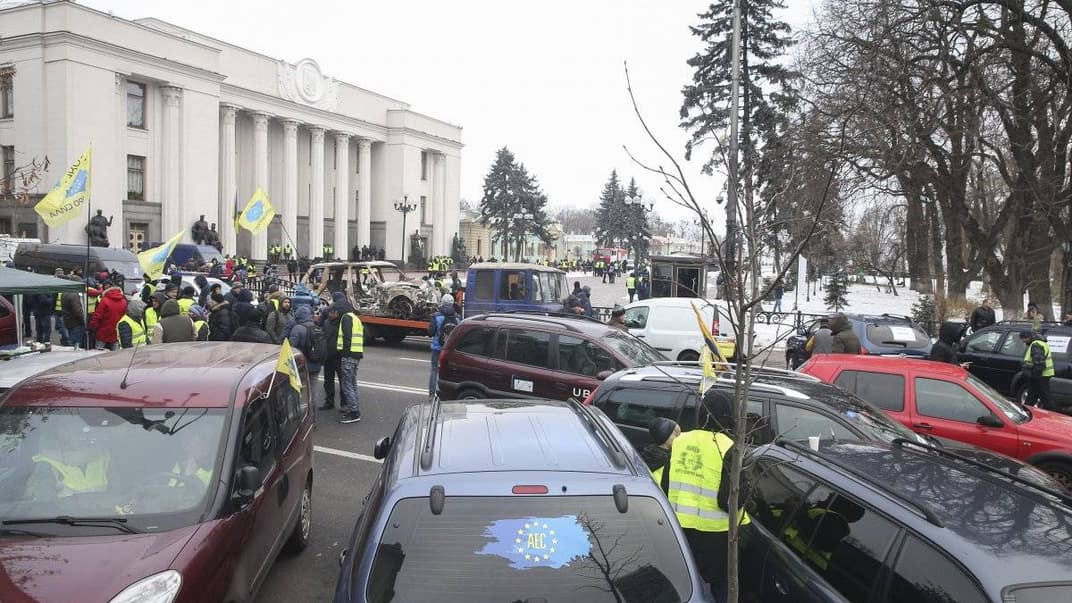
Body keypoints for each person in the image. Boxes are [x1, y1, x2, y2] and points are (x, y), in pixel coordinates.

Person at [653, 389, 750, 601]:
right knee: (720, 590)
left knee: (684, 588)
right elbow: (729, 501)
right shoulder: (730, 448)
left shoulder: (680, 441)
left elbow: (666, 486)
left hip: (679, 531)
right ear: (730, 415)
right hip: (716, 537)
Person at [335, 302, 364, 424]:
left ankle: (354, 412)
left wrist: (344, 354)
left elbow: (347, 337)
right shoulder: (356, 318)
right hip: (356, 354)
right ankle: (355, 408)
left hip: (349, 355)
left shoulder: (346, 318)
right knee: (352, 383)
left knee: (347, 385)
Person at [427, 295, 459, 396]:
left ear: (442, 302)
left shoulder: (436, 316)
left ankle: (432, 394)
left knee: (434, 370)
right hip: (449, 350)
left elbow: (431, 333)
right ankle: (447, 394)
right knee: (448, 371)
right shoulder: (457, 318)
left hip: (437, 348)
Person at [1020, 330, 1055, 410]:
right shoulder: (1041, 343)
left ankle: (1052, 413)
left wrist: (1035, 376)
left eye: (1023, 339)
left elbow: (1039, 363)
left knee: (1045, 397)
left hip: (1040, 375)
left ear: (1028, 337)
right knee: (1033, 395)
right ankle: (1026, 410)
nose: (1023, 341)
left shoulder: (1036, 345)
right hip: (1042, 374)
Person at [88, 282, 127, 351]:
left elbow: (97, 316)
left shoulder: (104, 301)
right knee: (117, 354)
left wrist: (92, 326)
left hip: (103, 332)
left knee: (98, 353)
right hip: (116, 332)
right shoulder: (124, 302)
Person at [61, 282, 87, 349]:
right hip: (76, 323)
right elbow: (77, 311)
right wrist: (83, 321)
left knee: (72, 341)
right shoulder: (74, 295)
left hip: (68, 321)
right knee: (77, 343)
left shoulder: (64, 293)